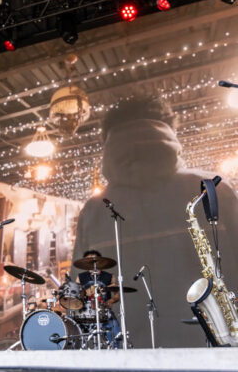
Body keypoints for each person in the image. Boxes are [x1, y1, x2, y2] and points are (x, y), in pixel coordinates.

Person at [73, 96, 238, 347]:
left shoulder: (94, 211)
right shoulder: (213, 189)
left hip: (128, 357)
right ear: (169, 134)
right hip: (217, 353)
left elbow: (83, 298)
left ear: (108, 143)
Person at [74, 249, 122, 347]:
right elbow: (76, 295)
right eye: (88, 260)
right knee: (74, 330)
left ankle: (115, 351)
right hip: (86, 313)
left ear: (100, 261)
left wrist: (111, 300)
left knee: (115, 332)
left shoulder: (110, 276)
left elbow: (117, 295)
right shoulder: (80, 277)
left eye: (94, 260)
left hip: (104, 311)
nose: (91, 262)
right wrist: (83, 294)